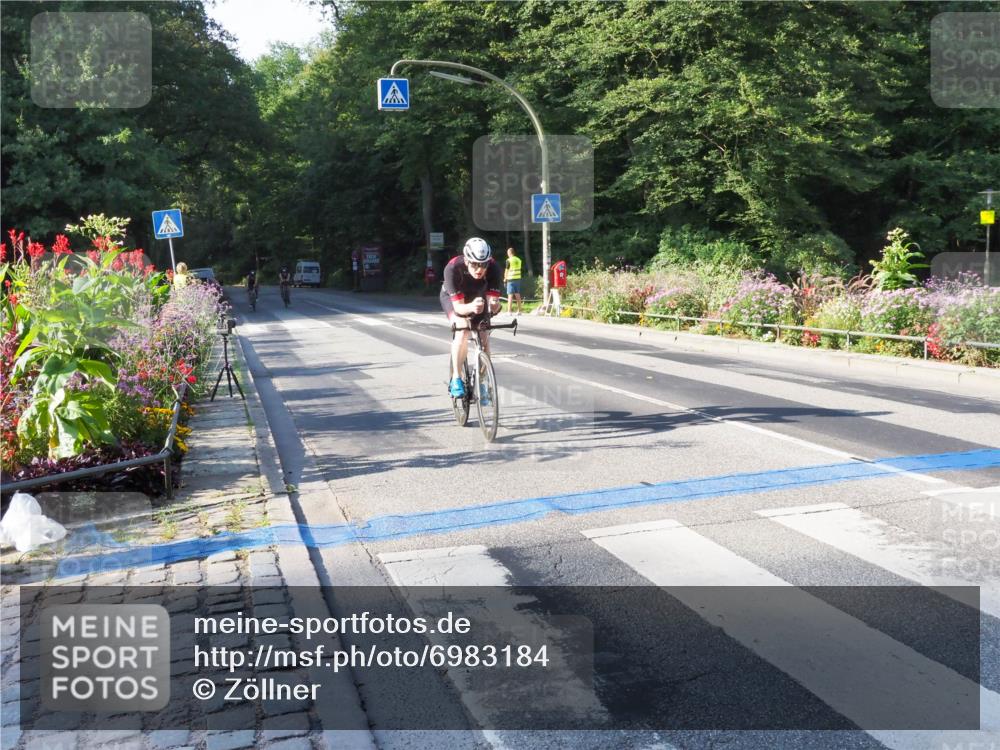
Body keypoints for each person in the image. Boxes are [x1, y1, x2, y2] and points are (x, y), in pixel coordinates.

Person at [440, 238, 502, 398]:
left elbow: (493, 305)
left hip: (478, 296)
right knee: (462, 329)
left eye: (483, 264)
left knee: (483, 334)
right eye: (474, 264)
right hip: (454, 299)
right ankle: (456, 379)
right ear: (466, 260)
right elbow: (459, 308)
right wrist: (471, 307)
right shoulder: (452, 268)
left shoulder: (494, 268)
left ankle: (482, 381)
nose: (479, 269)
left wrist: (494, 305)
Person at [504, 247, 523, 315]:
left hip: (511, 279)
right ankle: (520, 311)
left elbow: (506, 270)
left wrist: (505, 279)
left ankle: (509, 311)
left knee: (510, 295)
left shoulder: (508, 260)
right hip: (518, 279)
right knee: (517, 295)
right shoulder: (519, 260)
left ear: (509, 253)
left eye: (507, 253)